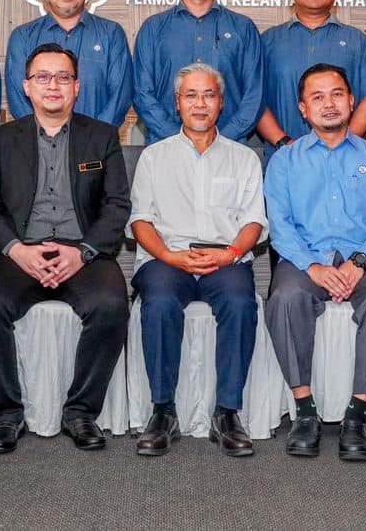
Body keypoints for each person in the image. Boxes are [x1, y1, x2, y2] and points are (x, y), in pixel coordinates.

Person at [0, 44, 132, 453]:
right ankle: (6, 415)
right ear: (26, 87)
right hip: (19, 251)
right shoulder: (1, 139)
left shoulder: (101, 136)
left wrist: (84, 252)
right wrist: (15, 250)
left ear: (77, 86)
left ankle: (81, 412)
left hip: (83, 253)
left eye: (63, 77)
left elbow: (117, 206)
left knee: (111, 305)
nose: (53, 85)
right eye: (42, 77)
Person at [264, 64, 366, 462]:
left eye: (337, 94)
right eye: (318, 97)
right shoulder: (285, 161)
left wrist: (359, 262)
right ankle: (305, 411)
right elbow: (280, 225)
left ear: (352, 101)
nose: (329, 103)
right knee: (285, 298)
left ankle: (356, 415)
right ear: (303, 109)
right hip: (306, 260)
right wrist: (314, 267)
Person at [128, 62, 266, 458]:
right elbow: (140, 220)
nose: (200, 103)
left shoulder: (244, 158)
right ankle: (162, 411)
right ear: (177, 102)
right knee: (157, 303)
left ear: (221, 102)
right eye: (191, 95)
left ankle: (227, 413)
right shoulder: (153, 157)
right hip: (168, 256)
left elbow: (254, 221)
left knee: (240, 303)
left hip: (225, 257)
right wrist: (170, 256)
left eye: (209, 95)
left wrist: (231, 254)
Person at [133, 0, 263, 145]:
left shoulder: (243, 28)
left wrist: (219, 142)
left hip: (229, 149)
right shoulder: (153, 29)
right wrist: (180, 140)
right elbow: (142, 94)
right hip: (167, 147)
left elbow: (254, 97)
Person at [257, 0, 366, 157]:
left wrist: (343, 143)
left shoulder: (356, 41)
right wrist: (284, 143)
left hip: (346, 158)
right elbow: (254, 98)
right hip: (284, 156)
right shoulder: (268, 41)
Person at [5, 0, 133, 127]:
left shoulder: (111, 34)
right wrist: (47, 138)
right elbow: (19, 100)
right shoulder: (23, 38)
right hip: (37, 143)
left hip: (98, 143)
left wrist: (94, 138)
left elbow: (120, 98)